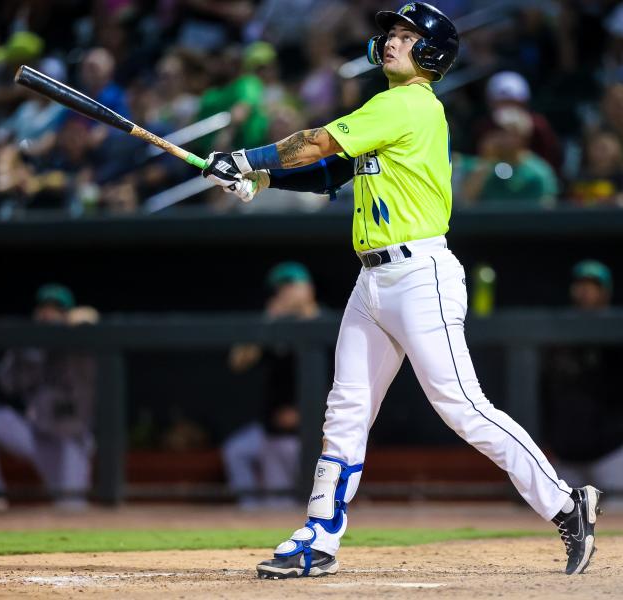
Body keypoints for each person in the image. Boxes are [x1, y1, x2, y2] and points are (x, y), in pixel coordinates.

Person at [202, 2, 601, 578]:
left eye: (408, 35)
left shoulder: (407, 104)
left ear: (432, 52)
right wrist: (260, 176)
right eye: (391, 32)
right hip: (373, 280)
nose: (392, 40)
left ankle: (567, 505)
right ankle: (318, 537)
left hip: (420, 275)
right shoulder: (386, 110)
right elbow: (329, 172)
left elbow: (316, 143)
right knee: (345, 411)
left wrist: (243, 157)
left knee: (460, 405)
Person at [223, 262, 320, 508]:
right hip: (274, 432)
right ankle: (250, 512)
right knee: (238, 453)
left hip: (315, 430)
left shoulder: (324, 322)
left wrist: (306, 412)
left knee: (310, 499)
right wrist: (268, 323)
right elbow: (238, 362)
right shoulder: (275, 327)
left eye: (291, 286)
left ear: (307, 288)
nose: (284, 293)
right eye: (280, 289)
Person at [0, 284, 96, 510]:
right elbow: (6, 384)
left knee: (71, 508)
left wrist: (82, 328)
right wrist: (21, 348)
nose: (48, 313)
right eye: (44, 308)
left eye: (56, 308)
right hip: (34, 434)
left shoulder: (81, 342)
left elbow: (91, 325)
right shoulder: (28, 345)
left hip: (69, 440)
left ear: (67, 313)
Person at [542, 261, 623, 497]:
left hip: (610, 454)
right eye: (582, 284)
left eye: (593, 285)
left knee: (617, 520)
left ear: (605, 291)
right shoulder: (558, 334)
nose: (586, 291)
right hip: (566, 456)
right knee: (563, 519)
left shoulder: (616, 333)